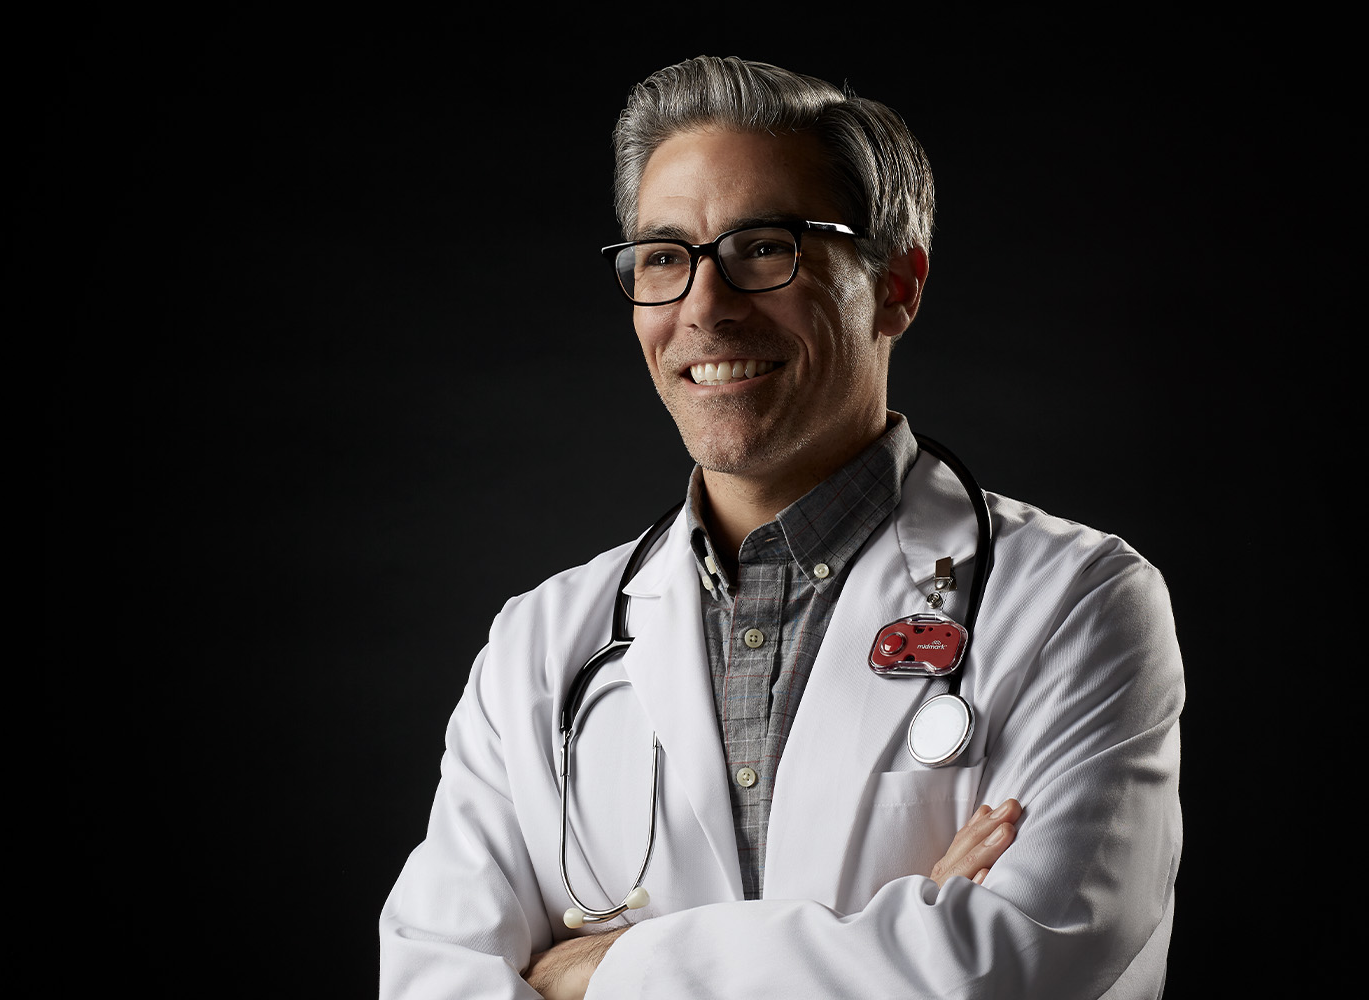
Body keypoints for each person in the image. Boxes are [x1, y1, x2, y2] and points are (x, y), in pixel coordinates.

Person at [379, 56, 1183, 998]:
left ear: (897, 285)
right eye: (664, 257)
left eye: (763, 248)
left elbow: (1013, 963)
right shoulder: (538, 645)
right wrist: (886, 945)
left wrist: (600, 974)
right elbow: (433, 978)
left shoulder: (1078, 605)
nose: (704, 308)